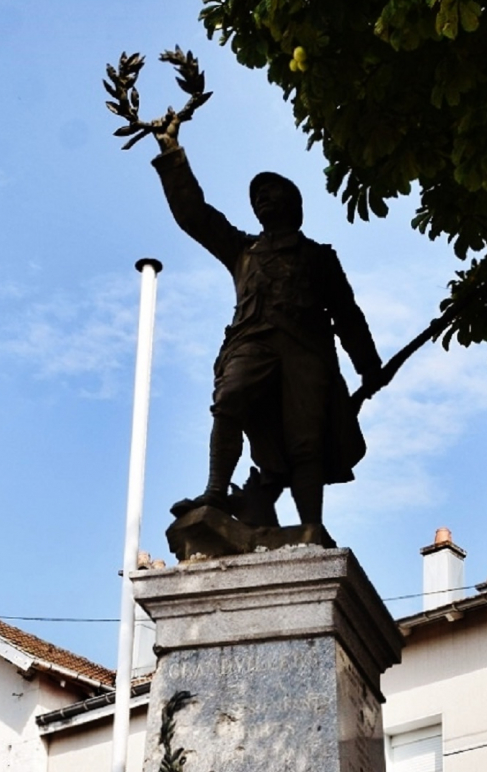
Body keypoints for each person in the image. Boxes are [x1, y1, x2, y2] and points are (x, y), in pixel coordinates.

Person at [152, 131, 383, 528]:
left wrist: (368, 365)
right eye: (257, 195)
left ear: (293, 204)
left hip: (306, 353)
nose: (261, 198)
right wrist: (172, 153)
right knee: (229, 400)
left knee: (305, 442)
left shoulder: (318, 257)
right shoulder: (242, 250)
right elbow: (195, 215)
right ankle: (215, 491)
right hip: (250, 343)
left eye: (271, 191)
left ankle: (311, 525)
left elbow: (347, 314)